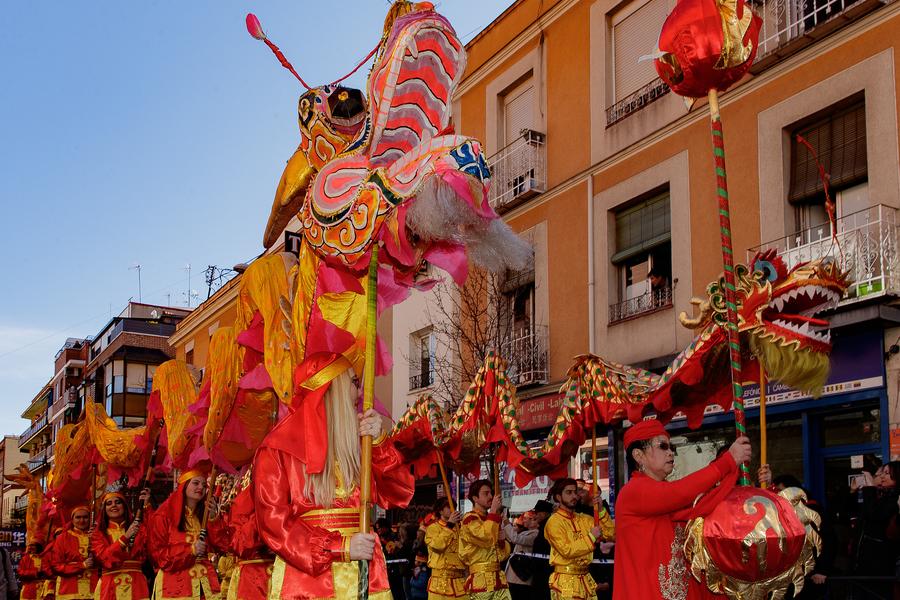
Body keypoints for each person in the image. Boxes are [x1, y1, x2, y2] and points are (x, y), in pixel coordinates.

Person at [253, 352, 415, 600]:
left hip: (366, 576)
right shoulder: (276, 449)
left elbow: (399, 494)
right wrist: (341, 547)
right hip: (309, 583)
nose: (360, 394)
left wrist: (381, 443)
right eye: (354, 382)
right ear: (332, 387)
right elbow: (274, 525)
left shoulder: (361, 444)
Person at [613, 419, 751, 599]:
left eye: (671, 447)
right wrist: (728, 461)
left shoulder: (668, 497)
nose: (670, 452)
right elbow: (681, 492)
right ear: (639, 455)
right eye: (662, 446)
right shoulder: (632, 492)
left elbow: (700, 502)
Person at [148, 469, 223, 599]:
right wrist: (190, 550)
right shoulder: (163, 515)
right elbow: (159, 556)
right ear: (184, 485)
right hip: (176, 588)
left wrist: (213, 519)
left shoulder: (204, 515)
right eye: (196, 483)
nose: (201, 487)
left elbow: (224, 546)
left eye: (204, 485)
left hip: (205, 586)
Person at [205, 483, 273, 600]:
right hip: (250, 577)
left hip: (268, 575)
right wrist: (214, 519)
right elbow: (231, 544)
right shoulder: (244, 491)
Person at [543, 479, 606, 600]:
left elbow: (610, 534)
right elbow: (566, 550)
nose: (574, 496)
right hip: (565, 581)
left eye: (575, 492)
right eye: (569, 492)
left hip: (585, 579)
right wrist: (591, 537)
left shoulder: (585, 519)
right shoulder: (554, 522)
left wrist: (601, 511)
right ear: (558, 497)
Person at [91, 488, 153, 600]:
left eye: (118, 502)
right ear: (104, 509)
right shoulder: (98, 534)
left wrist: (146, 506)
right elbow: (105, 558)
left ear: (124, 506)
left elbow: (154, 532)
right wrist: (125, 538)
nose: (114, 505)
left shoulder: (137, 529)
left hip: (137, 585)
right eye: (109, 503)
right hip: (109, 586)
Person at [457, 479, 511, 600]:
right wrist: (493, 511)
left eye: (491, 493)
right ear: (475, 498)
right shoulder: (469, 519)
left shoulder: (491, 519)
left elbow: (502, 555)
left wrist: (502, 542)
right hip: (480, 581)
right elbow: (485, 537)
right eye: (486, 493)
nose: (491, 496)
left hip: (498, 580)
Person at [47, 506, 99, 599]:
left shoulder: (97, 536)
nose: (82, 520)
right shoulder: (62, 538)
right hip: (69, 590)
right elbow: (56, 566)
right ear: (72, 519)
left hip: (94, 589)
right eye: (78, 517)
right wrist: (82, 565)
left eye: (85, 517)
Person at [424, 498, 466, 600]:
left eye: (454, 507)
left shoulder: (460, 528)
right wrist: (449, 526)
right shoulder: (433, 528)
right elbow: (437, 546)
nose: (453, 509)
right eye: (448, 507)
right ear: (440, 510)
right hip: (440, 582)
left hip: (459, 581)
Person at [502, 510, 540, 599]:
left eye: (526, 518)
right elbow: (512, 538)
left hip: (520, 577)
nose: (524, 521)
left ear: (534, 520)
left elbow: (515, 538)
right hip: (515, 575)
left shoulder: (535, 534)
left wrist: (506, 521)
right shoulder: (528, 532)